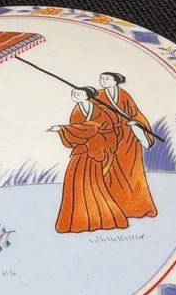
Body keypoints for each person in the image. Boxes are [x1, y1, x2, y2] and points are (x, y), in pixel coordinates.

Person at [49, 87, 128, 234]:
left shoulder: (99, 111)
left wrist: (63, 129)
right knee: (73, 180)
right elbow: (78, 130)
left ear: (87, 96)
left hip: (98, 147)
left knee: (90, 182)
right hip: (83, 148)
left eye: (78, 93)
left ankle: (104, 218)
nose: (74, 95)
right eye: (73, 93)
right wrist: (68, 130)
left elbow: (92, 127)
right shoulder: (77, 110)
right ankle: (77, 221)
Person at [97, 72, 158, 219]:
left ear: (115, 81)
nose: (103, 81)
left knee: (131, 172)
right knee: (109, 172)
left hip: (128, 138)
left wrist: (137, 124)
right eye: (101, 78)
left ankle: (136, 208)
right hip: (109, 137)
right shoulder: (97, 96)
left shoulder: (124, 95)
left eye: (106, 78)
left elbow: (135, 113)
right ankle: (111, 209)